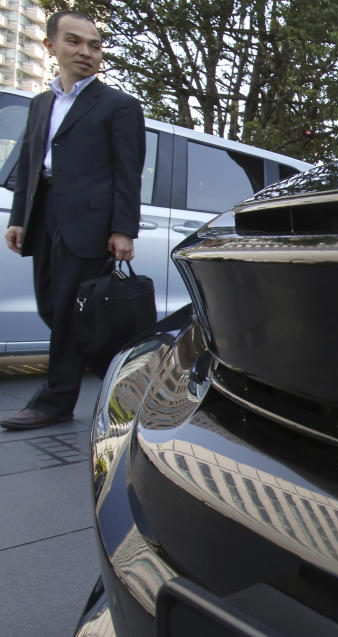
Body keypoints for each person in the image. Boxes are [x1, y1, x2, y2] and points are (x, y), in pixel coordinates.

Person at [1, 10, 145, 430]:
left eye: (94, 45)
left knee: (66, 310)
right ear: (51, 47)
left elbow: (128, 169)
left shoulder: (119, 105)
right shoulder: (42, 103)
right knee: (52, 305)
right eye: (74, 42)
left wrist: (123, 228)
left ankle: (56, 400)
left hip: (90, 224)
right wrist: (18, 217)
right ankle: (130, 382)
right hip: (44, 214)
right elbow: (29, 163)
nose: (86, 51)